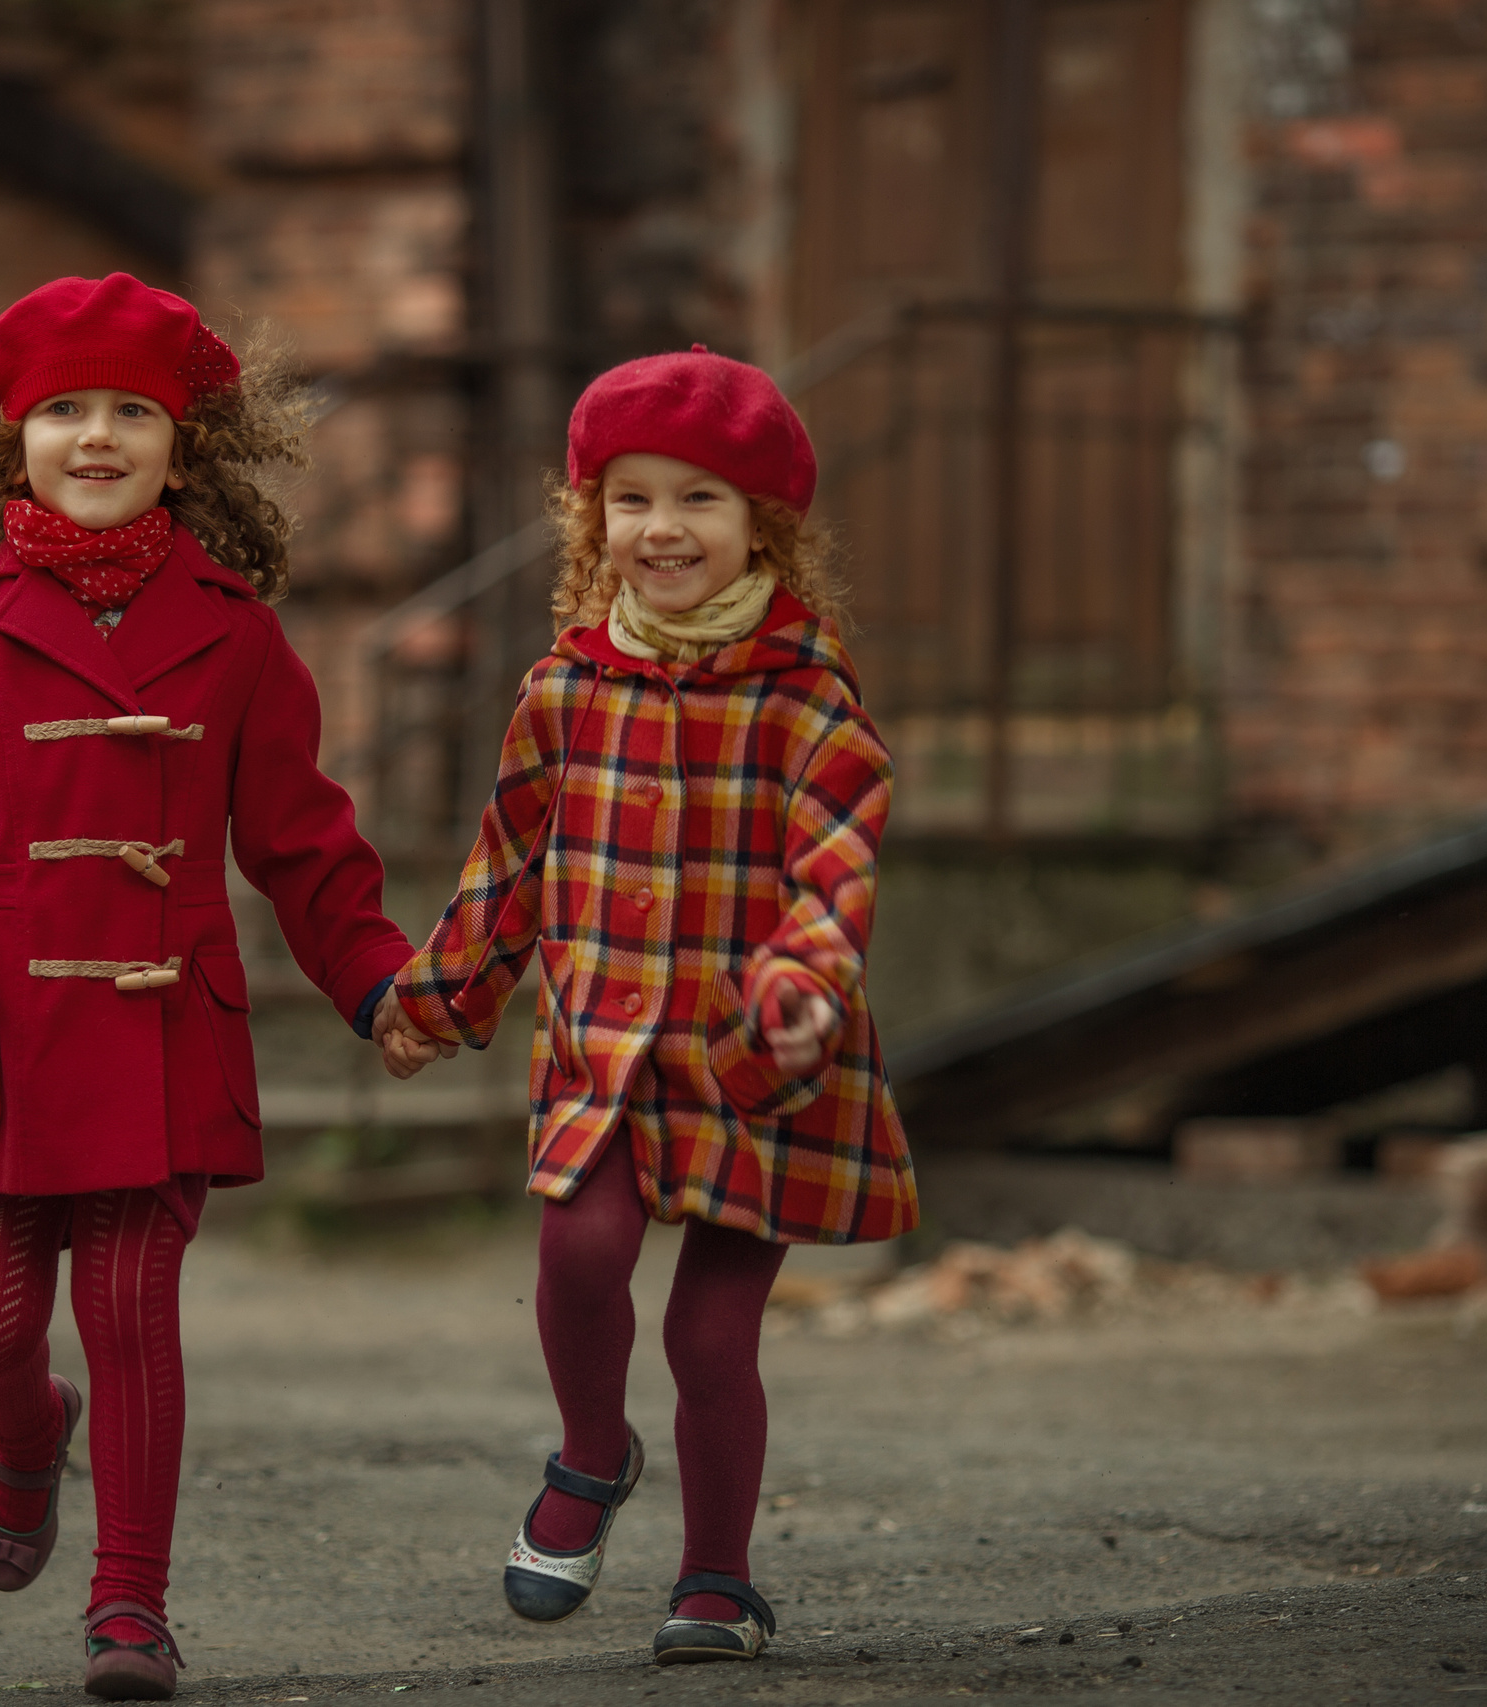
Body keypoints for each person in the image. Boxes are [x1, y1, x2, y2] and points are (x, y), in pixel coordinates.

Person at [0, 273, 411, 1702]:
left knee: (139, 1315)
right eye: (63, 410)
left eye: (130, 411)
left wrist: (380, 982)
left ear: (179, 447)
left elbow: (302, 839)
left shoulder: (241, 635)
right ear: (11, 443)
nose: (96, 435)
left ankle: (130, 1606)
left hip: (159, 1019)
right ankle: (28, 1438)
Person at [375, 346, 917, 1665]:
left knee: (711, 1331)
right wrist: (438, 998)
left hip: (759, 1061)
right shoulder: (564, 689)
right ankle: (590, 1453)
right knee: (580, 1251)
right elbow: (504, 871)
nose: (662, 530)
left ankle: (716, 1581)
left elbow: (834, 864)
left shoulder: (809, 699)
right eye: (631, 500)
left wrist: (802, 985)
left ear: (763, 529)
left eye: (700, 501)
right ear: (591, 518)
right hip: (608, 1044)